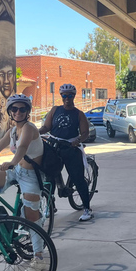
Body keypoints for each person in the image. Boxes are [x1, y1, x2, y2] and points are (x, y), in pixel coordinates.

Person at [0, 94, 49, 271]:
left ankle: (39, 258)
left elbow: (22, 148)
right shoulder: (12, 131)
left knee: (31, 217)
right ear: (9, 111)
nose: (18, 112)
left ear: (28, 111)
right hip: (16, 171)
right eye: (14, 109)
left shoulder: (29, 128)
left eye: (22, 109)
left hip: (31, 176)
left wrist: (11, 162)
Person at [39, 83, 93, 221]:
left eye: (70, 96)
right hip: (54, 146)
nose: (67, 98)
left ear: (74, 96)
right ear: (61, 96)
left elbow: (85, 132)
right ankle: (51, 206)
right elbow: (46, 127)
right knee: (49, 178)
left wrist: (78, 140)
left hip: (70, 148)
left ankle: (87, 208)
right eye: (64, 95)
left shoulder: (78, 114)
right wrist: (34, 132)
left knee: (77, 178)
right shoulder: (55, 110)